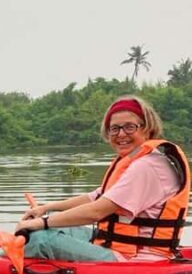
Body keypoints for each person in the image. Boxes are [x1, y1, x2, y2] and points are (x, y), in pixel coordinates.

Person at [11, 95, 189, 262]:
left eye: (129, 127)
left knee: (42, 239)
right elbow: (94, 197)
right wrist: (46, 208)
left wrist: (41, 223)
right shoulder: (139, 160)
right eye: (114, 128)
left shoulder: (147, 166)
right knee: (57, 228)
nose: (121, 134)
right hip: (117, 246)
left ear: (147, 128)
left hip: (136, 259)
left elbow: (96, 211)